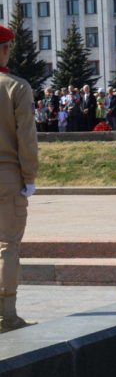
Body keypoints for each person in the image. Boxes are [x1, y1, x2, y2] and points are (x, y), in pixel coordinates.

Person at [0, 24, 39, 333]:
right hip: (7, 178)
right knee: (7, 245)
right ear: (5, 49)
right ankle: (6, 316)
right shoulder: (16, 87)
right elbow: (26, 138)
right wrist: (30, 176)